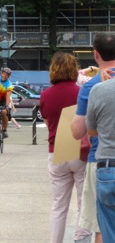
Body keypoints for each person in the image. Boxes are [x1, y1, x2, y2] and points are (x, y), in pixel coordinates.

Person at [40, 52, 91, 243]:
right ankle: (80, 239)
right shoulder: (82, 92)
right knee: (83, 204)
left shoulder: (45, 95)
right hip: (80, 150)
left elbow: (48, 123)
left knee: (58, 205)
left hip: (57, 151)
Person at [71, 32, 115, 243]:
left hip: (102, 161)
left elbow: (81, 131)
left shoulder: (93, 86)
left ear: (95, 54)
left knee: (102, 227)